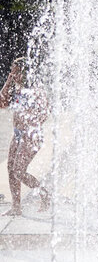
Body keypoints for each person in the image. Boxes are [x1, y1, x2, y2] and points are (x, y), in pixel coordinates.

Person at [0, 58, 50, 216]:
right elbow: (2, 103)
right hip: (17, 135)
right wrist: (8, 81)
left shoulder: (36, 89)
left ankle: (44, 193)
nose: (13, 73)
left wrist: (32, 125)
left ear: (24, 72)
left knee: (18, 171)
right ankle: (16, 207)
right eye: (12, 71)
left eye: (15, 71)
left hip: (30, 136)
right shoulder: (17, 88)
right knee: (10, 169)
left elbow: (45, 111)